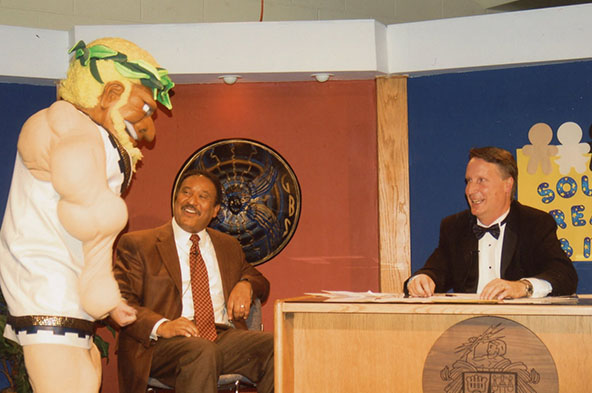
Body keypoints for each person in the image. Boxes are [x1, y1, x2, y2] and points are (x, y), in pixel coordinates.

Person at [0, 38, 173, 393]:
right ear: (111, 92)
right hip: (47, 287)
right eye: (142, 107)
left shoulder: (89, 130)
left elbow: (90, 225)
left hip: (68, 292)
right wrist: (104, 294)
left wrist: (107, 301)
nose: (147, 126)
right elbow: (89, 213)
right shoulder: (60, 122)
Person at [113, 169, 274, 393]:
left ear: (216, 210)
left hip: (220, 337)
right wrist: (163, 326)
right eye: (186, 193)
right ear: (175, 199)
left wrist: (245, 284)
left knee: (276, 347)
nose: (191, 201)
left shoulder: (228, 246)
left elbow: (261, 282)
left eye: (203, 196)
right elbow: (121, 302)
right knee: (202, 350)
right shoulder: (139, 244)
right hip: (161, 345)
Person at [406, 146, 577, 300]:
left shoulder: (534, 223)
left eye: (481, 180)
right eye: (468, 181)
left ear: (507, 185)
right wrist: (422, 279)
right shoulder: (454, 226)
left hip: (522, 327)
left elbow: (565, 275)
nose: (470, 190)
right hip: (465, 326)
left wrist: (523, 287)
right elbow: (436, 270)